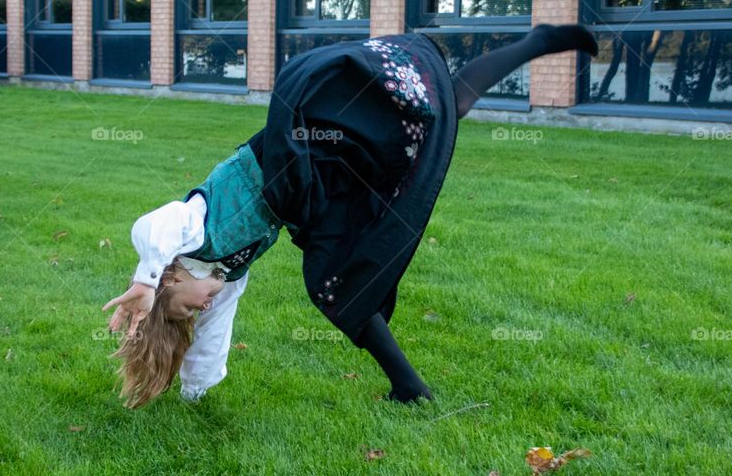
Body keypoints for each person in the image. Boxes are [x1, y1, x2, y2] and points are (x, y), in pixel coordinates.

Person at [102, 24, 599, 408]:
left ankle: (539, 41)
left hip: (295, 153)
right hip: (308, 198)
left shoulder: (190, 231)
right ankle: (409, 386)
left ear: (171, 276)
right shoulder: (225, 281)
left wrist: (144, 283)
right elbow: (214, 338)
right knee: (340, 281)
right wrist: (195, 392)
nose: (201, 310)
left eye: (187, 307)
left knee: (440, 104)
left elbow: (154, 226)